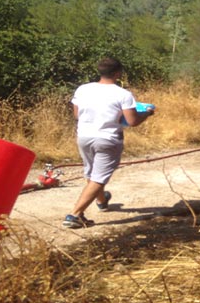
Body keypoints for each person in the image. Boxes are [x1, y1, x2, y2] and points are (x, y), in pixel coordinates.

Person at [63, 57, 155, 229]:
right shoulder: (123, 94)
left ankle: (102, 201)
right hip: (108, 138)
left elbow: (77, 115)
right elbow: (132, 121)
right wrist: (148, 112)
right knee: (98, 177)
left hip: (84, 136)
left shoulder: (83, 89)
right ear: (118, 73)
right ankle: (74, 215)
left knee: (91, 174)